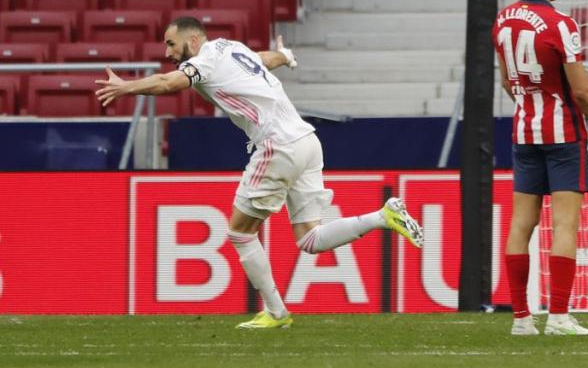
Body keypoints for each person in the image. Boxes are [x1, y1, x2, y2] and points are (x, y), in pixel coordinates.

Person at [95, 17, 424, 329]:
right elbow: (262, 59)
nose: (167, 51)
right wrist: (285, 56)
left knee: (240, 232)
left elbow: (168, 82)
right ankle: (383, 216)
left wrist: (126, 88)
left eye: (171, 43)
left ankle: (276, 312)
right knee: (310, 239)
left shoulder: (204, 60)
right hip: (307, 141)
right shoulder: (230, 47)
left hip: (277, 145)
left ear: (192, 39)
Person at [493, 0, 588, 336]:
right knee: (564, 225)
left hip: (524, 131)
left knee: (520, 224)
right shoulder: (561, 24)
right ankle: (559, 316)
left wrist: (530, 103)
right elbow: (582, 91)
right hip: (563, 134)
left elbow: (506, 81)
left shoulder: (503, 20)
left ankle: (521, 319)